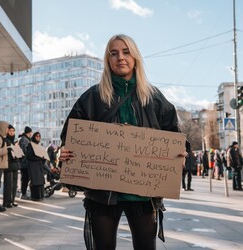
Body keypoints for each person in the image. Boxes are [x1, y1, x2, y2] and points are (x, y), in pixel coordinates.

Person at [59, 34, 189, 250]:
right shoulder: (92, 97)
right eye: (114, 53)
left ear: (135, 57)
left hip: (143, 194)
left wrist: (181, 153)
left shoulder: (154, 98)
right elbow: (71, 136)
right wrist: (65, 153)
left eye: (126, 51)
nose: (120, 57)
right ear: (107, 60)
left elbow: (173, 133)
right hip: (103, 195)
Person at [3, 124, 21, 208]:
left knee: (14, 185)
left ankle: (12, 200)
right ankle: (6, 202)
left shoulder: (14, 142)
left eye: (13, 131)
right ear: (7, 131)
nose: (12, 132)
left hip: (15, 165)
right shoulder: (5, 140)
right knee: (8, 185)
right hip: (8, 164)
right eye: (10, 130)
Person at [26, 132, 45, 201]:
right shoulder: (30, 145)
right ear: (34, 137)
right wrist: (39, 158)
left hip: (38, 165)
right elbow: (29, 156)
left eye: (39, 136)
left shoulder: (38, 145)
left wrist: (43, 158)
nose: (38, 137)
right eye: (37, 136)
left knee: (40, 181)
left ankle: (41, 196)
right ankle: (35, 197)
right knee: (35, 181)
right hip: (33, 166)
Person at [19, 126, 32, 199]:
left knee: (26, 178)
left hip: (26, 162)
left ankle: (24, 193)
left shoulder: (26, 139)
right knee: (25, 178)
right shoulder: (24, 140)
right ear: (29, 132)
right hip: (24, 163)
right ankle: (23, 194)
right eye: (30, 132)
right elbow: (25, 151)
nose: (31, 134)